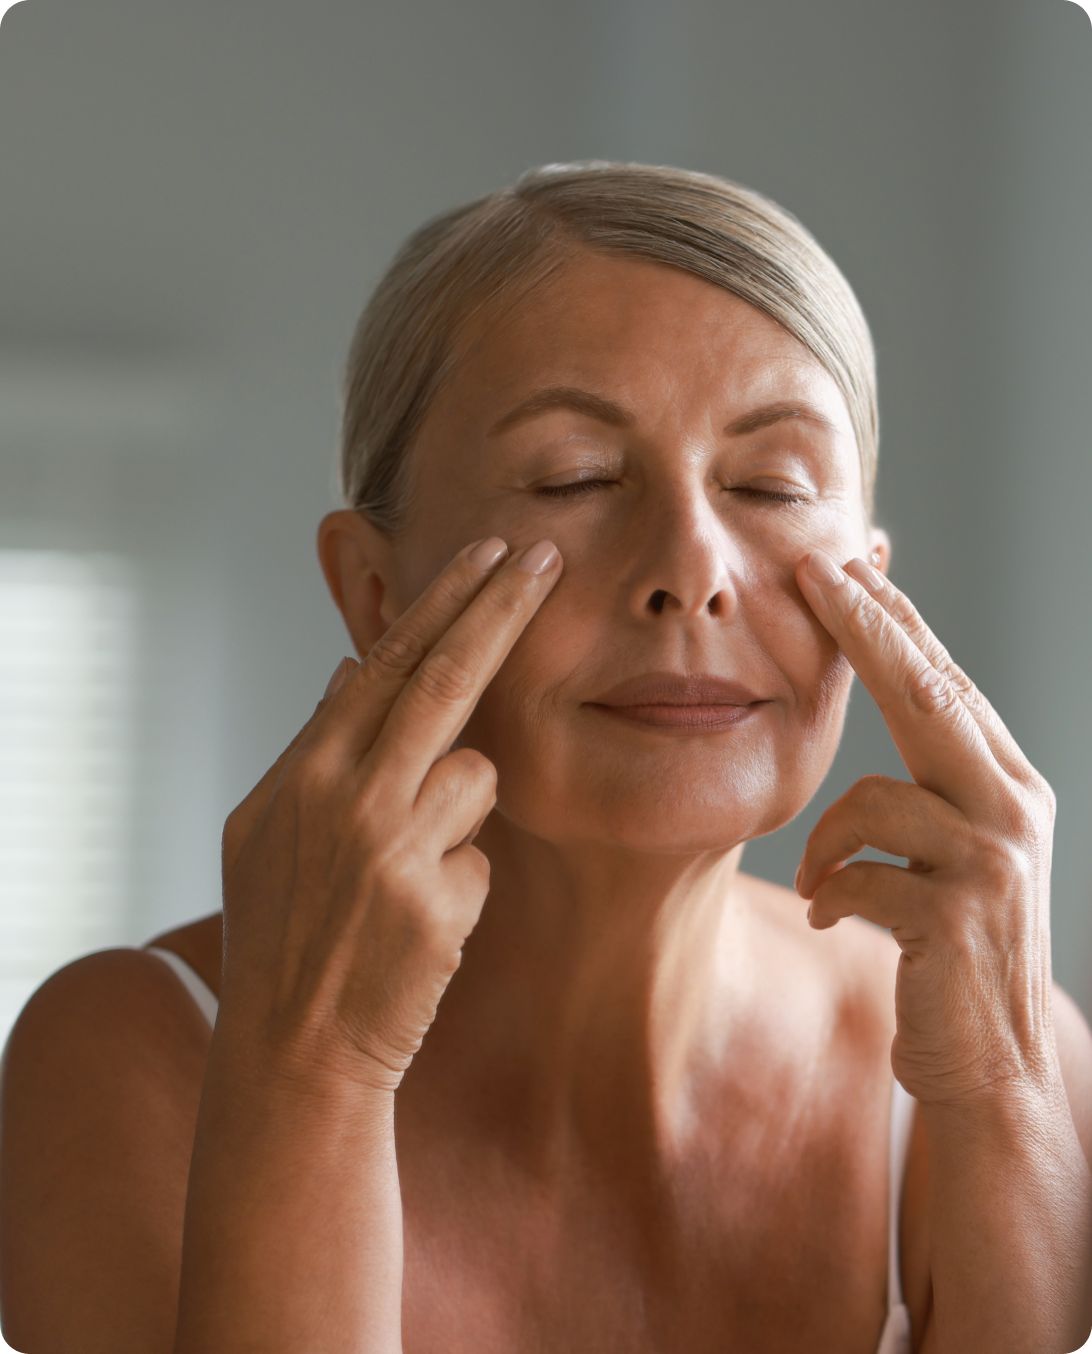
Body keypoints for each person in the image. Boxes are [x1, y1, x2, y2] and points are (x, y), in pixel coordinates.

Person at [2, 160, 1090, 1354]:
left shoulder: (1004, 1064)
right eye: (577, 477)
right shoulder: (131, 1059)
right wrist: (315, 1072)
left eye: (770, 485)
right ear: (375, 591)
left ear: (871, 588)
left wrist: (1007, 1087)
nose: (692, 568)